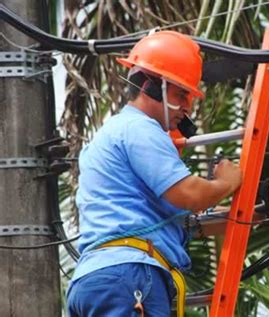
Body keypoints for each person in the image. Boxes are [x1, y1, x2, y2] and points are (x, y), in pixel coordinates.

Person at [66, 31, 242, 317]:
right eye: (180, 94)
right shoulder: (140, 129)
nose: (188, 106)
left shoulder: (110, 135)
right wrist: (228, 181)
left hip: (95, 281)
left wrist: (254, 214)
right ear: (149, 86)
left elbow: (180, 221)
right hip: (129, 275)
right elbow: (191, 195)